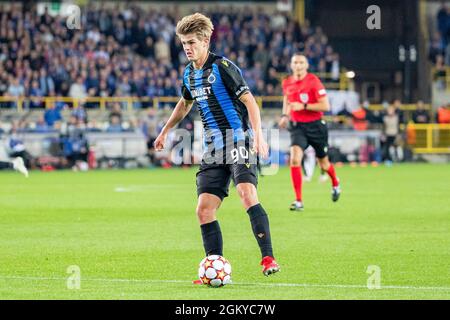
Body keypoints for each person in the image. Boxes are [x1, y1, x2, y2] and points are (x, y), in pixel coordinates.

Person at [154, 13, 280, 280]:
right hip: (213, 149)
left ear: (205, 40)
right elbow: (185, 103)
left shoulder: (223, 67)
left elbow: (250, 101)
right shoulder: (189, 73)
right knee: (204, 209)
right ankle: (214, 266)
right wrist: (165, 130)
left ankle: (268, 257)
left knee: (246, 193)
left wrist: (258, 136)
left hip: (238, 140)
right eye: (183, 43)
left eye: (191, 42)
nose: (187, 48)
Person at [278, 53, 341, 211]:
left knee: (324, 163)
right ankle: (298, 201)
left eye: (301, 62)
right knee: (295, 159)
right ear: (291, 65)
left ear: (306, 65)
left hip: (316, 126)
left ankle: (335, 183)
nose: (298, 65)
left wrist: (304, 106)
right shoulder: (287, 82)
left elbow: (325, 106)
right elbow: (287, 98)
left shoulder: (313, 81)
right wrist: (285, 115)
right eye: (295, 62)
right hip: (297, 126)